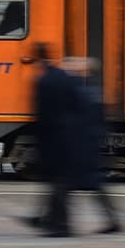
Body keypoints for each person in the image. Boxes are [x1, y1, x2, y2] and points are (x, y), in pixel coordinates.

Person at [59, 55, 124, 235]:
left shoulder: (83, 90)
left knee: (68, 184)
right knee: (89, 184)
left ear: (85, 70)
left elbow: (82, 118)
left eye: (76, 65)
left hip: (82, 145)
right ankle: (113, 220)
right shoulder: (91, 89)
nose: (70, 67)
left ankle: (57, 221)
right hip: (87, 143)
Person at [21, 41, 78, 236]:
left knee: (57, 183)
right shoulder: (63, 76)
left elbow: (41, 115)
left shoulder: (42, 80)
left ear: (36, 58)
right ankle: (48, 220)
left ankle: (60, 225)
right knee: (58, 182)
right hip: (67, 136)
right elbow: (74, 104)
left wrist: (38, 138)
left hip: (52, 138)